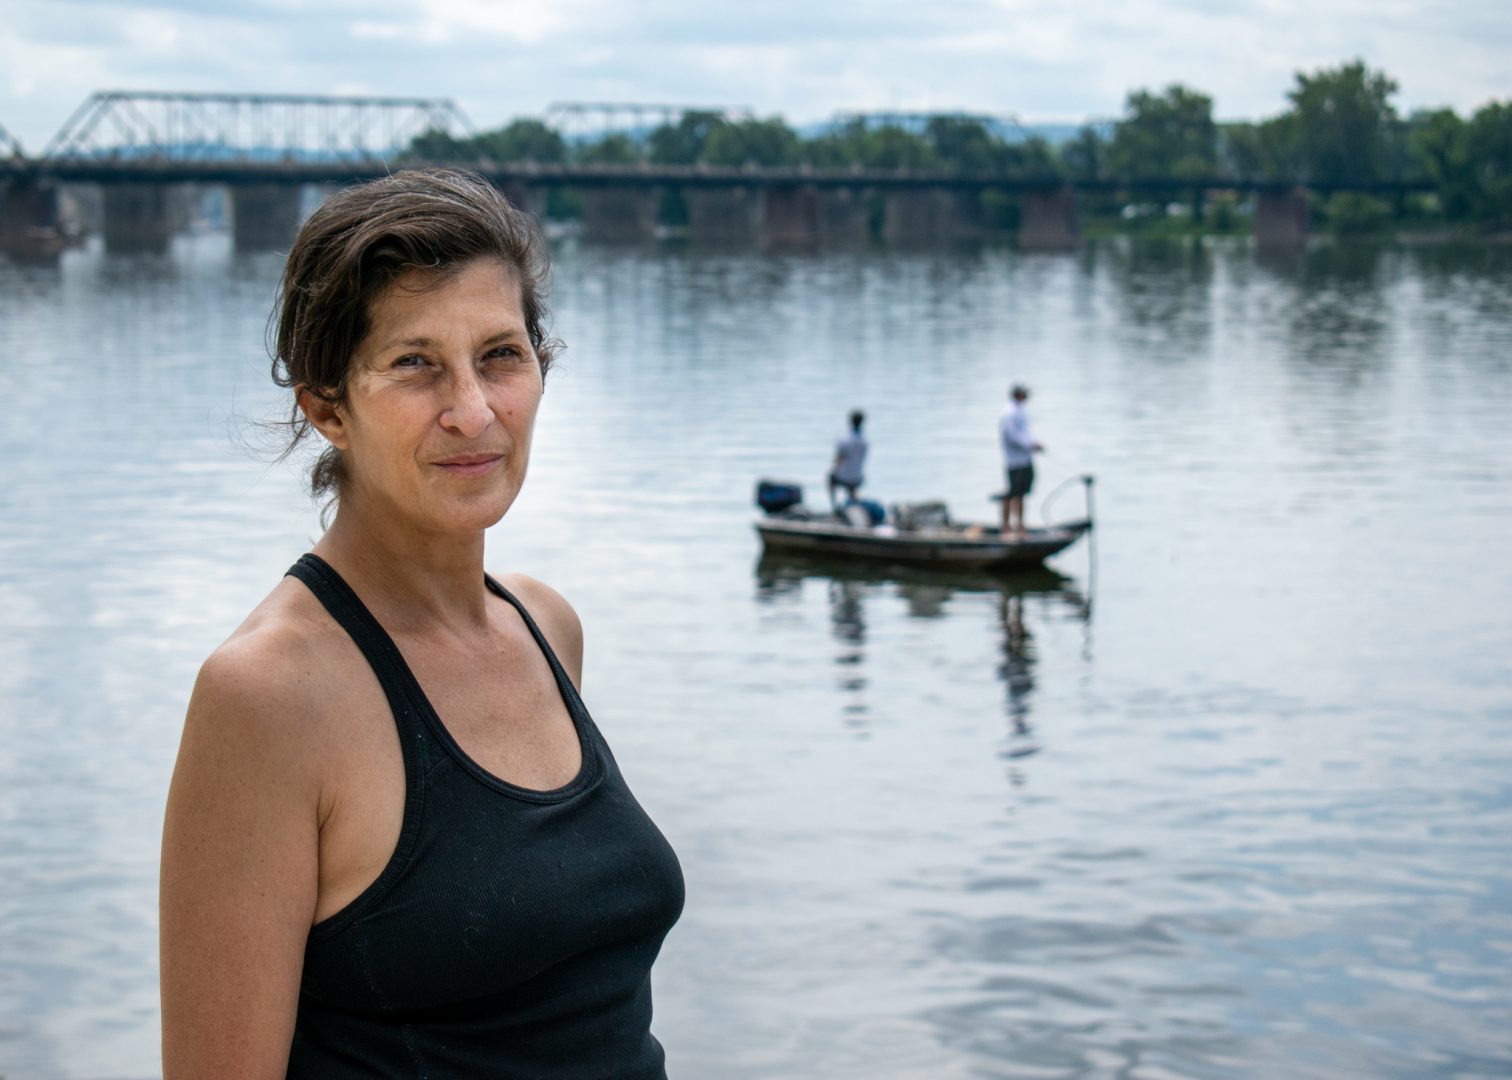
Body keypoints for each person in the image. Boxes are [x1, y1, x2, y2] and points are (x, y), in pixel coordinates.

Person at [159, 170, 685, 1078]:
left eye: (501, 355)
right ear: (327, 408)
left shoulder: (547, 627)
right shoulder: (269, 698)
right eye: (415, 364)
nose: (474, 411)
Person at [999, 384, 1044, 537]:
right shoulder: (1009, 412)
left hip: (1025, 459)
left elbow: (1025, 433)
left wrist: (1034, 444)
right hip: (1015, 461)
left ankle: (1020, 526)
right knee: (1012, 493)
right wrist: (1030, 445)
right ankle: (1006, 527)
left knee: (1022, 494)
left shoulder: (1021, 410)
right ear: (1018, 395)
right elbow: (1012, 437)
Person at [828, 409, 868, 511]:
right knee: (852, 487)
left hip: (845, 478)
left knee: (830, 478)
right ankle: (854, 506)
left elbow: (838, 460)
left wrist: (835, 472)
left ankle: (834, 507)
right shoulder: (864, 441)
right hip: (858, 478)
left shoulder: (845, 440)